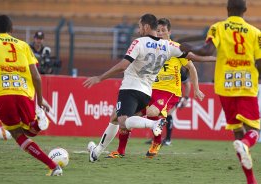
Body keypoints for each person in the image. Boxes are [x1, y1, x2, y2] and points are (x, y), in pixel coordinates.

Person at [83, 14, 203, 163]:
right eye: (158, 30)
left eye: (163, 30)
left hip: (169, 92)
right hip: (150, 89)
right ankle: (118, 151)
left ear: (169, 32)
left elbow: (191, 67)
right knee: (119, 116)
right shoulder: (152, 46)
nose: (160, 33)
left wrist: (196, 89)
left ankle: (157, 141)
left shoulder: (174, 49)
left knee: (151, 111)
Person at [180, 1, 261, 183]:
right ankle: (246, 144)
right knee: (253, 129)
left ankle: (251, 180)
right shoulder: (256, 33)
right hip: (246, 86)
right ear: (245, 10)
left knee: (237, 132)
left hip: (224, 86)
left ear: (227, 9)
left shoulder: (218, 28)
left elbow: (206, 49)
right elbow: (260, 63)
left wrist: (188, 47)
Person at [0, 15, 62, 176]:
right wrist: (40, 99)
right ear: (12, 30)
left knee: (17, 134)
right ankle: (38, 121)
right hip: (24, 92)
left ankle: (53, 166)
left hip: (3, 94)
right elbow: (36, 76)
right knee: (30, 131)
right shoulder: (24, 45)